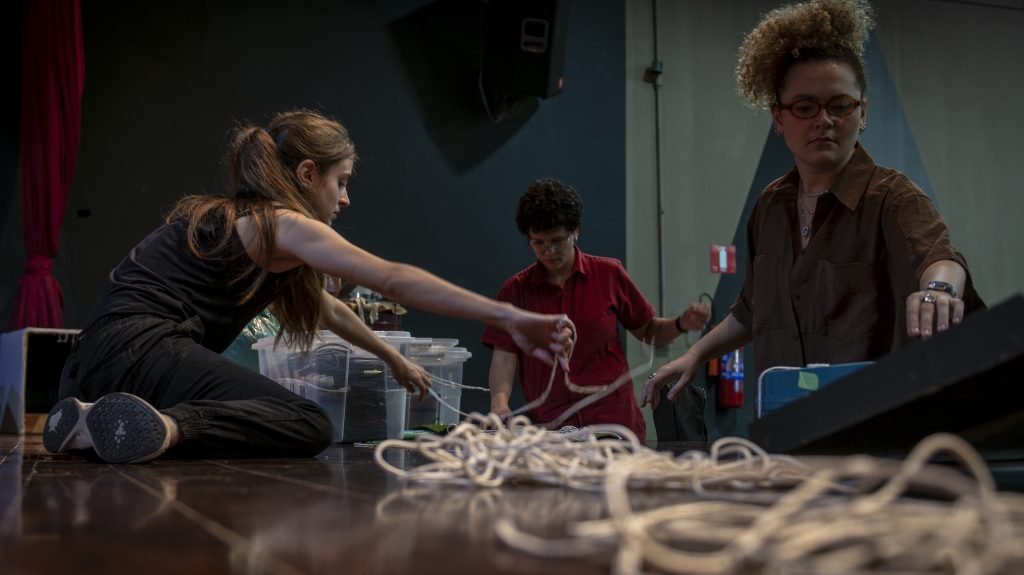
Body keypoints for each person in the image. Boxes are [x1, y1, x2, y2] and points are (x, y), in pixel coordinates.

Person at [43, 109, 574, 464]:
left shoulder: (250, 225)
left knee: (290, 414)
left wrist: (393, 359)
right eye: (340, 182)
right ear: (306, 174)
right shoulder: (283, 224)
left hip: (94, 362)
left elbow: (327, 311)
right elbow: (391, 277)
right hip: (142, 349)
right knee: (306, 423)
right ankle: (167, 427)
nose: (344, 199)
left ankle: (89, 422)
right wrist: (509, 316)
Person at [644, 0, 983, 410]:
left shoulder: (894, 197)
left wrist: (939, 291)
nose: (823, 119)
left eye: (840, 105)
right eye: (805, 107)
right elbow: (752, 310)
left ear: (863, 114)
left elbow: (939, 258)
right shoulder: (769, 207)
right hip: (785, 423)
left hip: (872, 431)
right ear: (778, 118)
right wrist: (694, 354)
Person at [482, 179, 709, 441]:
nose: (549, 251)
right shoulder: (516, 290)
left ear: (575, 231)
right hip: (551, 427)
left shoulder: (609, 274)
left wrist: (680, 323)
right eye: (539, 243)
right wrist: (499, 403)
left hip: (614, 423)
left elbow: (649, 330)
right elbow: (504, 355)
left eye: (557, 240)